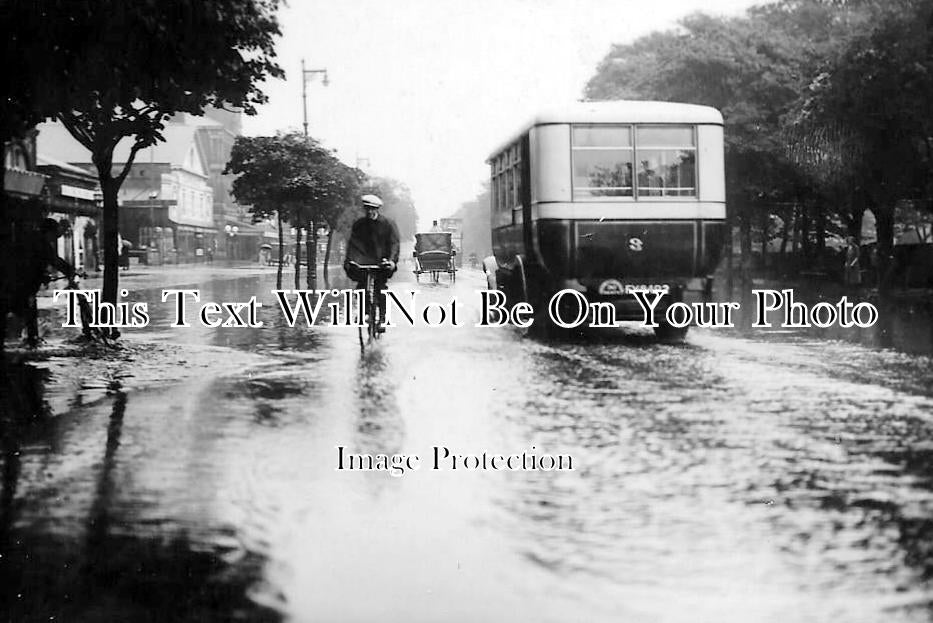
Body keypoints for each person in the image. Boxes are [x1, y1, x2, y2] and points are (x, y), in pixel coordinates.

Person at [0, 218, 77, 348]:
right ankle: (30, 342)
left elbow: (34, 263)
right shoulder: (41, 242)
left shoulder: (33, 240)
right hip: (23, 286)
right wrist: (70, 271)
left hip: (19, 285)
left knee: (24, 312)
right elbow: (53, 260)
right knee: (26, 311)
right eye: (54, 235)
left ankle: (29, 340)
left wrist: (42, 276)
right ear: (49, 232)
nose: (54, 239)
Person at [343, 194, 400, 332]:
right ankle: (365, 312)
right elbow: (353, 244)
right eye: (367, 209)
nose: (370, 212)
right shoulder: (359, 225)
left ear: (377, 209)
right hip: (364, 261)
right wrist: (350, 260)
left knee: (380, 288)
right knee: (361, 287)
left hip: (382, 262)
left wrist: (391, 261)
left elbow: (394, 244)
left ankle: (382, 318)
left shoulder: (388, 224)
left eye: (373, 209)